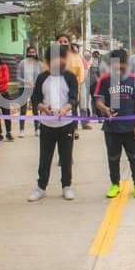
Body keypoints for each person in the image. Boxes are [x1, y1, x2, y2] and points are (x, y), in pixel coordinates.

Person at [28, 45, 78, 202]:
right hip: (47, 125)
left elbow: (73, 99)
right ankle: (41, 188)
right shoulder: (42, 77)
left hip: (66, 124)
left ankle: (67, 186)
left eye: (62, 58)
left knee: (66, 157)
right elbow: (35, 99)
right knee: (45, 157)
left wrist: (66, 108)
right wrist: (42, 107)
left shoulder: (70, 77)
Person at [94, 49, 135, 199]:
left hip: (130, 127)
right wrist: (104, 108)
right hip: (111, 127)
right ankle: (115, 184)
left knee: (134, 156)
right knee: (113, 157)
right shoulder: (104, 80)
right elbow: (98, 101)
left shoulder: (133, 79)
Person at [56, 35, 85, 138]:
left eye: (65, 41)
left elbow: (81, 72)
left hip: (72, 87)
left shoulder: (75, 56)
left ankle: (74, 129)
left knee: (73, 108)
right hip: (57, 88)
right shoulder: (52, 57)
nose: (63, 43)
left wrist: (77, 83)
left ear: (69, 43)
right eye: (60, 41)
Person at [18, 46, 43, 137]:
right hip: (23, 88)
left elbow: (42, 76)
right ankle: (21, 130)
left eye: (33, 52)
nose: (32, 54)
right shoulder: (22, 63)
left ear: (36, 53)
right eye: (30, 52)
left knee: (36, 109)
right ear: (27, 53)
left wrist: (37, 84)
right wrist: (27, 81)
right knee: (23, 109)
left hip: (36, 88)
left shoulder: (39, 64)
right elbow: (18, 77)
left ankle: (37, 129)